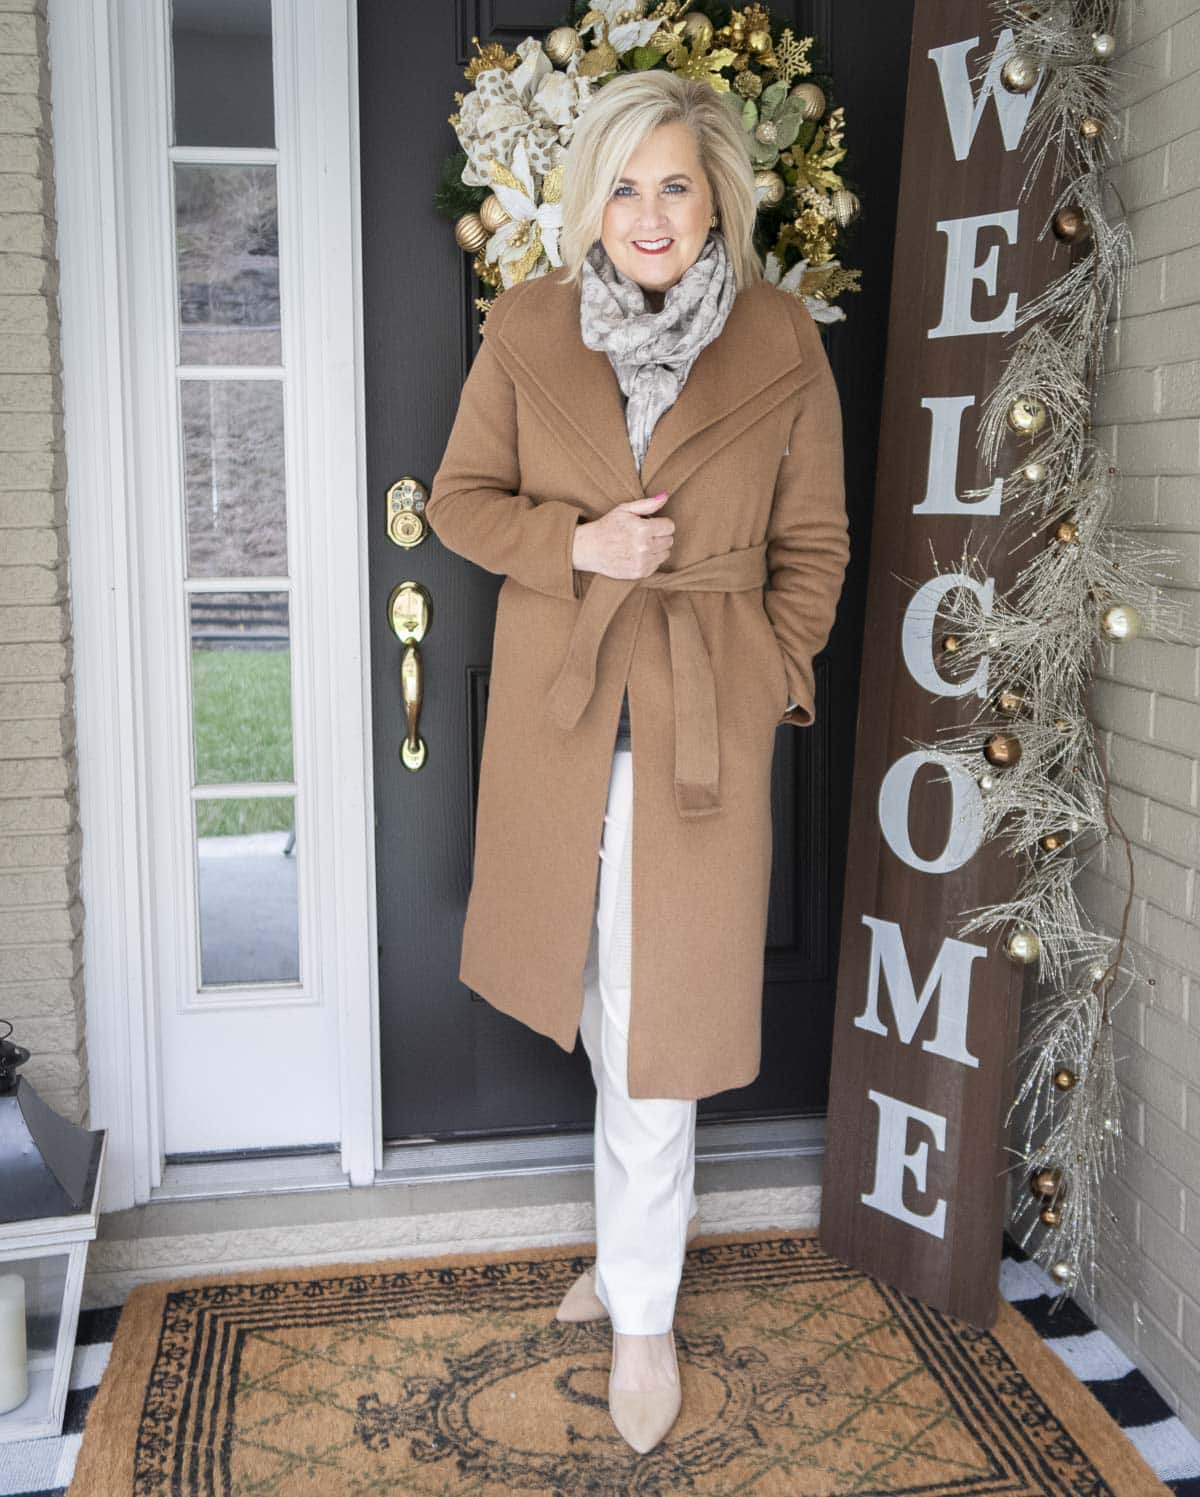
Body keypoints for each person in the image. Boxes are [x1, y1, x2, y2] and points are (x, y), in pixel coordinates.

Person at [426, 69, 849, 1455]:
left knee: (662, 1015)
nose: (650, 214)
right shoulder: (531, 322)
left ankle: (644, 1312)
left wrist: (774, 668)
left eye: (675, 184)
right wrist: (581, 545)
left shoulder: (782, 336)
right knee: (602, 992)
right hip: (562, 713)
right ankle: (628, 1242)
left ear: (715, 193)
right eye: (624, 184)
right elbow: (460, 500)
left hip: (700, 720)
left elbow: (816, 548)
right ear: (588, 198)